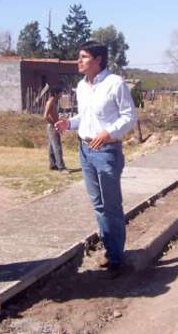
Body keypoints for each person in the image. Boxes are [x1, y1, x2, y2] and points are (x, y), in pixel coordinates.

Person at [55, 41, 137, 278]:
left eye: (83, 57)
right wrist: (69, 124)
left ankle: (115, 258)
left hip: (107, 152)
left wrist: (109, 133)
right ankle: (109, 248)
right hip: (85, 150)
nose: (78, 61)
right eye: (78, 57)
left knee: (111, 206)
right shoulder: (82, 86)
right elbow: (85, 117)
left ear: (98, 60)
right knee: (98, 205)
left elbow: (129, 116)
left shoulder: (115, 83)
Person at [44, 86, 67, 172]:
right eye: (61, 93)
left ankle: (53, 165)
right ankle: (61, 167)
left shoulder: (53, 101)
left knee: (51, 146)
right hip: (52, 126)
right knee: (57, 146)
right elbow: (45, 116)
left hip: (52, 126)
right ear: (56, 93)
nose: (62, 95)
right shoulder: (50, 102)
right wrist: (54, 123)